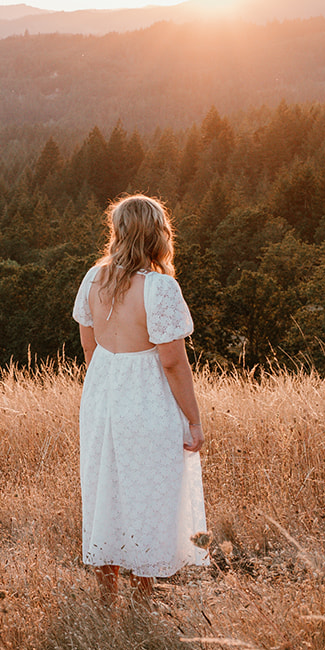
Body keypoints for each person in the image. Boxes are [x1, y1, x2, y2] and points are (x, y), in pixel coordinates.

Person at [72, 193, 207, 603]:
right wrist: (194, 420)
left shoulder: (92, 280)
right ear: (156, 236)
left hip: (101, 399)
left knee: (105, 490)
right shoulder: (160, 288)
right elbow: (171, 362)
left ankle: (106, 598)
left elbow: (90, 349)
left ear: (117, 233)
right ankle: (143, 601)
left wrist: (109, 388)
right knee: (146, 493)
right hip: (145, 400)